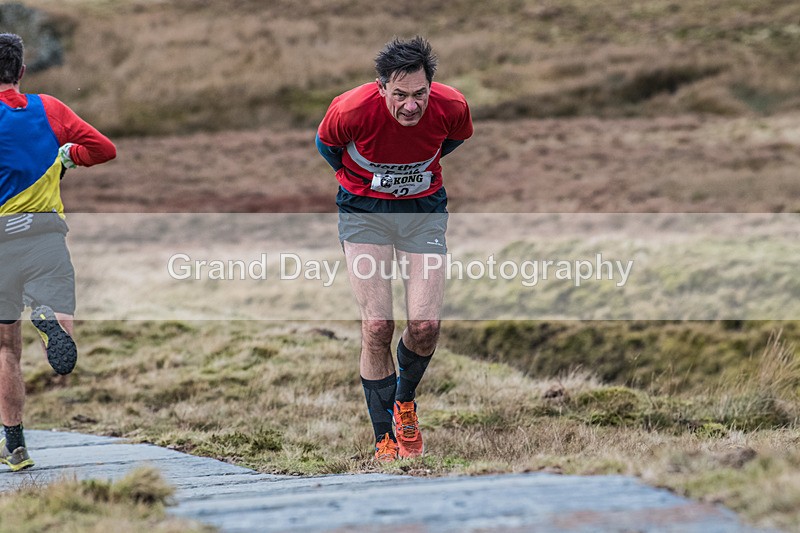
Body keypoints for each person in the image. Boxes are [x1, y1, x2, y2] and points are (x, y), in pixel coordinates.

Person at [316, 36, 472, 462]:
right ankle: (384, 438)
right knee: (378, 326)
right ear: (381, 87)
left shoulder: (452, 106)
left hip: (422, 211)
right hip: (364, 212)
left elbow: (452, 140)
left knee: (425, 327)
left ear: (431, 88)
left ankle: (404, 402)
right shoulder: (349, 110)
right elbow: (327, 148)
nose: (410, 106)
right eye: (399, 95)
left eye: (419, 94)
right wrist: (367, 182)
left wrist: (408, 171)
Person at [0, 33, 116, 471]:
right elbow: (105, 149)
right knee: (57, 307)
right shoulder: (48, 108)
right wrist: (65, 157)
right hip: (45, 235)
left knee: (6, 348)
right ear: (22, 73)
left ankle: (15, 446)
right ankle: (52, 320)